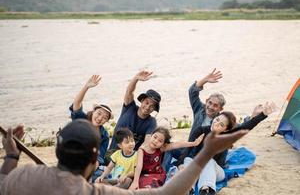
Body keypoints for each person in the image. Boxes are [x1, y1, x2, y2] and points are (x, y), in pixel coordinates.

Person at [0, 119, 248, 195]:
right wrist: (206, 153)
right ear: (94, 159)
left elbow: (3, 182)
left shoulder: (21, 176)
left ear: (56, 151)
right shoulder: (96, 192)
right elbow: (169, 193)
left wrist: (12, 156)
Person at [178, 102, 277, 195]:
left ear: (226, 129)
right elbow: (187, 150)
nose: (216, 124)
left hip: (215, 171)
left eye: (221, 124)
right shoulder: (200, 130)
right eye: (217, 120)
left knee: (208, 161)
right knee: (187, 159)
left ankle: (206, 190)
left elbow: (246, 127)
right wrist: (180, 164)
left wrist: (262, 115)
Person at [68, 75, 113, 180]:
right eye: (99, 113)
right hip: (72, 156)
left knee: (104, 178)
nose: (100, 118)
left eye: (105, 117)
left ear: (106, 121)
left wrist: (91, 168)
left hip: (90, 164)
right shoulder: (82, 120)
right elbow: (76, 104)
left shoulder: (104, 135)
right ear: (93, 112)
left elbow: (99, 157)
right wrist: (86, 87)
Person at [129, 127, 204, 190]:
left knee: (150, 187)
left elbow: (177, 144)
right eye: (155, 137)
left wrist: (193, 143)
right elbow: (139, 166)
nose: (155, 141)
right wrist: (135, 182)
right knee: (138, 187)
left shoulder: (160, 149)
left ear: (163, 144)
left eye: (160, 141)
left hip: (157, 175)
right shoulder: (142, 150)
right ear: (151, 135)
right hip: (144, 174)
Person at [109, 70, 161, 151]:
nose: (147, 107)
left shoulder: (151, 122)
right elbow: (129, 92)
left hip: (131, 158)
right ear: (142, 100)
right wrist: (136, 78)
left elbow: (147, 142)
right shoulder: (130, 107)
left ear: (154, 109)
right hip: (112, 153)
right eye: (147, 103)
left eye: (151, 106)